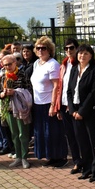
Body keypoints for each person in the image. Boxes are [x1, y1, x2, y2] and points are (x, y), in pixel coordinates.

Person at [67, 44, 95, 182]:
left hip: (89, 111)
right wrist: (72, 110)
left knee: (93, 143)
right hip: (75, 111)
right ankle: (86, 169)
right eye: (80, 53)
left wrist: (82, 111)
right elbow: (69, 91)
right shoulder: (74, 69)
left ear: (91, 56)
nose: (82, 56)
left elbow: (93, 93)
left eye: (86, 53)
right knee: (82, 143)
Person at [31, 36, 67, 167]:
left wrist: (53, 105)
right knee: (42, 132)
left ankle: (60, 157)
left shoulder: (53, 64)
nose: (40, 50)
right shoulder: (36, 63)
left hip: (48, 103)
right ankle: (50, 155)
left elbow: (56, 86)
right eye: (38, 48)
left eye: (43, 48)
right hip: (38, 103)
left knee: (53, 131)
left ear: (49, 50)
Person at [0, 54, 32, 169]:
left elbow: (29, 89)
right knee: (14, 134)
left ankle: (25, 158)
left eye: (9, 64)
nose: (7, 67)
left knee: (23, 134)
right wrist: (2, 94)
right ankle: (18, 157)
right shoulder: (2, 76)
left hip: (20, 109)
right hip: (9, 109)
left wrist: (15, 92)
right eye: (5, 65)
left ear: (15, 63)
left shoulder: (22, 74)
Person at [55, 38, 81, 174]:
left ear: (77, 48)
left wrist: (73, 106)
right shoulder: (64, 65)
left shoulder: (80, 64)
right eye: (66, 49)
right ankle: (77, 161)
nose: (69, 51)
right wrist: (59, 107)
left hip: (75, 106)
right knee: (70, 136)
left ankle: (84, 161)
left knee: (79, 136)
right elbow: (61, 87)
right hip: (64, 105)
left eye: (71, 48)